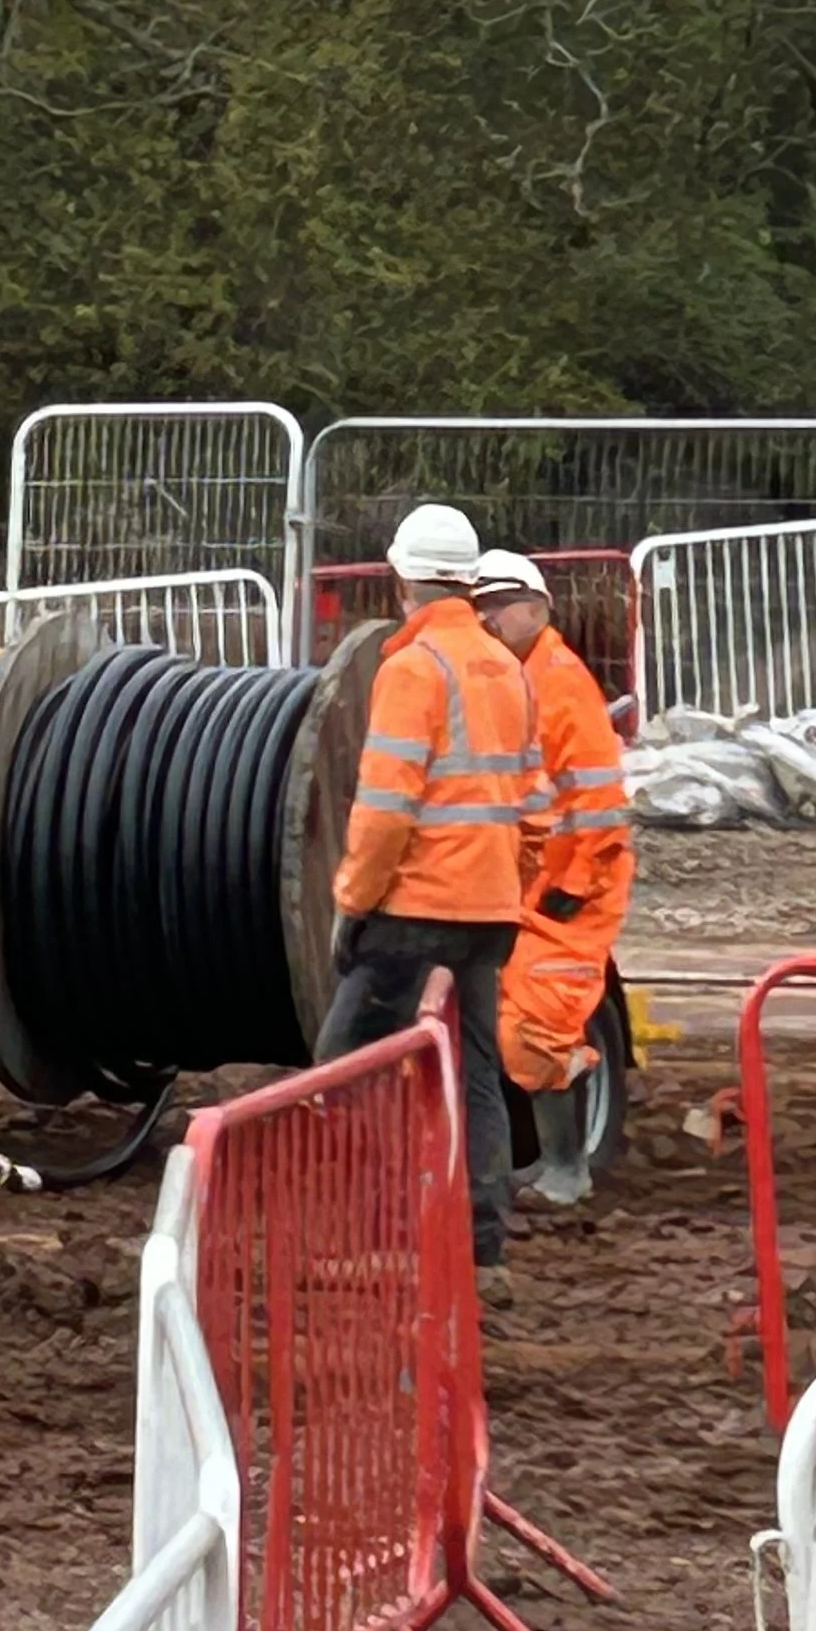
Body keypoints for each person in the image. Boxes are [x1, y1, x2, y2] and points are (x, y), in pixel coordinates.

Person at [318, 501, 549, 1278]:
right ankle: (482, 1247)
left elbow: (384, 811)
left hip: (414, 909)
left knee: (343, 1063)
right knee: (475, 1069)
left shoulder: (412, 668)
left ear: (402, 582)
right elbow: (535, 812)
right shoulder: (507, 669)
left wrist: (353, 902)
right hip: (488, 912)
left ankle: (372, 1232)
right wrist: (502, 888)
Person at [472, 548, 637, 1207]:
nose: (488, 617)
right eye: (479, 605)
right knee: (517, 1015)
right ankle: (550, 1161)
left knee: (537, 1023)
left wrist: (569, 888)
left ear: (536, 606)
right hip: (538, 885)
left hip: (574, 889)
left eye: (499, 604)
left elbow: (597, 802)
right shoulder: (516, 676)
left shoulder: (559, 681)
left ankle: (568, 1169)